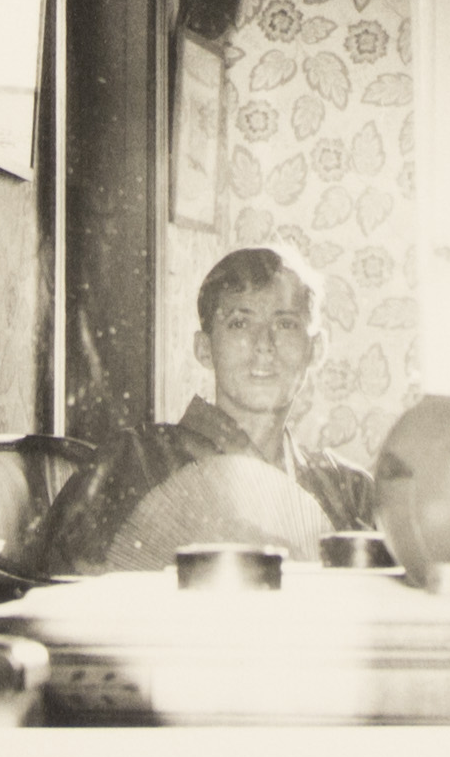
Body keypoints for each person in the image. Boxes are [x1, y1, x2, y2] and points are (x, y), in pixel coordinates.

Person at [29, 246, 373, 575]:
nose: (264, 345)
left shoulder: (348, 490)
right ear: (204, 348)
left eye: (285, 324)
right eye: (239, 323)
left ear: (316, 349)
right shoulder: (134, 462)